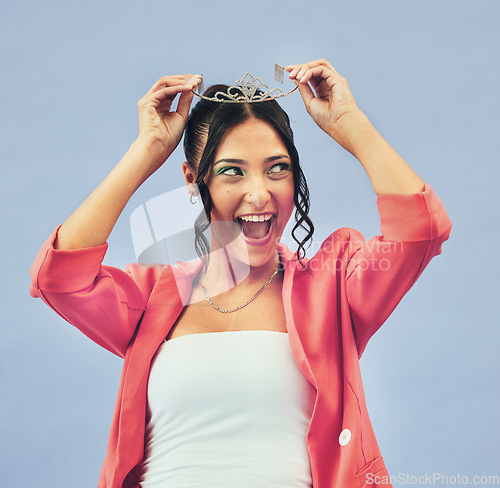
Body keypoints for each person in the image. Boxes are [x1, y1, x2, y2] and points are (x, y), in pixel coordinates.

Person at [29, 59, 452, 488]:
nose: (259, 192)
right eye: (233, 171)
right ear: (195, 182)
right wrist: (147, 151)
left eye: (277, 168)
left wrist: (351, 122)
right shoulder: (152, 295)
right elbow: (60, 279)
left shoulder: (334, 287)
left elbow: (420, 230)